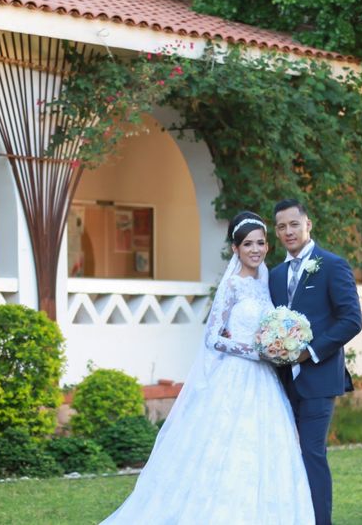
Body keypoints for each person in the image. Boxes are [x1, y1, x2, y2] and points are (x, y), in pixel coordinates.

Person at [100, 211, 314, 525]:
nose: (255, 250)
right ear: (235, 249)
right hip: (234, 377)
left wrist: (279, 344)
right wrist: (257, 352)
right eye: (247, 244)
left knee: (265, 451)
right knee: (222, 449)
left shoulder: (266, 279)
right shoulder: (232, 285)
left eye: (260, 243)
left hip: (264, 384)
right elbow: (214, 338)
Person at [269, 199, 362, 525]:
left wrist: (310, 352)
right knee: (287, 455)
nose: (288, 231)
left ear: (308, 224)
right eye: (281, 226)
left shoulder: (332, 265)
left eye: (294, 224)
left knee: (311, 452)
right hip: (281, 380)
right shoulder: (275, 275)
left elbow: (351, 320)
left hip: (319, 379)